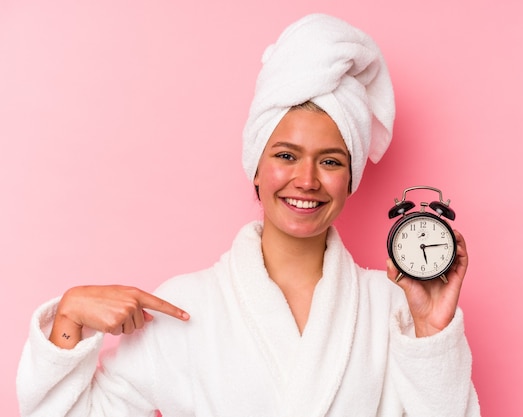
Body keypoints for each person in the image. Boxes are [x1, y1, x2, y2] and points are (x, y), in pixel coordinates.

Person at [17, 13, 480, 417]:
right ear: (255, 168)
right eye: (285, 155)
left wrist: (432, 333)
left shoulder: (393, 306)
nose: (307, 180)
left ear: (352, 178)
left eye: (331, 161)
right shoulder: (185, 307)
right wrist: (70, 314)